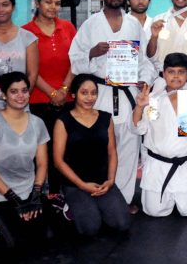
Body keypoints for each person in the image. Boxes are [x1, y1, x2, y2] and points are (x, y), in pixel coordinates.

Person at [68, 0, 156, 213]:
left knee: (129, 148)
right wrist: (92, 53)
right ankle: (98, 196)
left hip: (127, 95)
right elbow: (74, 61)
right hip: (100, 95)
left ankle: (123, 201)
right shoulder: (90, 25)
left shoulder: (133, 25)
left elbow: (145, 62)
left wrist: (144, 80)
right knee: (100, 149)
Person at [130, 53, 187, 217]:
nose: (176, 76)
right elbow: (137, 129)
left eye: (181, 72)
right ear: (163, 74)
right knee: (155, 212)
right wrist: (139, 107)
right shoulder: (151, 99)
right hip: (158, 167)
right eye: (171, 72)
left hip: (186, 167)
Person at [0, 72, 49, 248]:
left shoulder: (37, 122)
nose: (21, 96)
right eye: (14, 91)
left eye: (24, 90)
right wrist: (14, 199)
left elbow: (42, 163)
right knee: (17, 244)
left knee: (46, 239)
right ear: (4, 95)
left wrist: (36, 194)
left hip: (29, 190)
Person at [52, 74, 130, 236]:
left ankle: (94, 206)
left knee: (122, 224)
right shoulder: (63, 121)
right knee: (90, 228)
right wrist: (81, 185)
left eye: (93, 93)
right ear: (74, 94)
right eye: (84, 93)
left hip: (102, 182)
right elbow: (58, 161)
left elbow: (112, 152)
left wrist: (110, 181)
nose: (90, 97)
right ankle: (69, 205)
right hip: (75, 184)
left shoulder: (105, 118)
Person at [21, 0, 77, 206]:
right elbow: (30, 68)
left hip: (67, 98)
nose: (53, 7)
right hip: (38, 100)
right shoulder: (25, 31)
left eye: (57, 3)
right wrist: (52, 92)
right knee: (41, 149)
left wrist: (64, 89)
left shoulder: (68, 27)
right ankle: (37, 191)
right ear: (37, 3)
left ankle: (57, 191)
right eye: (48, 2)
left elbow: (76, 59)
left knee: (63, 148)